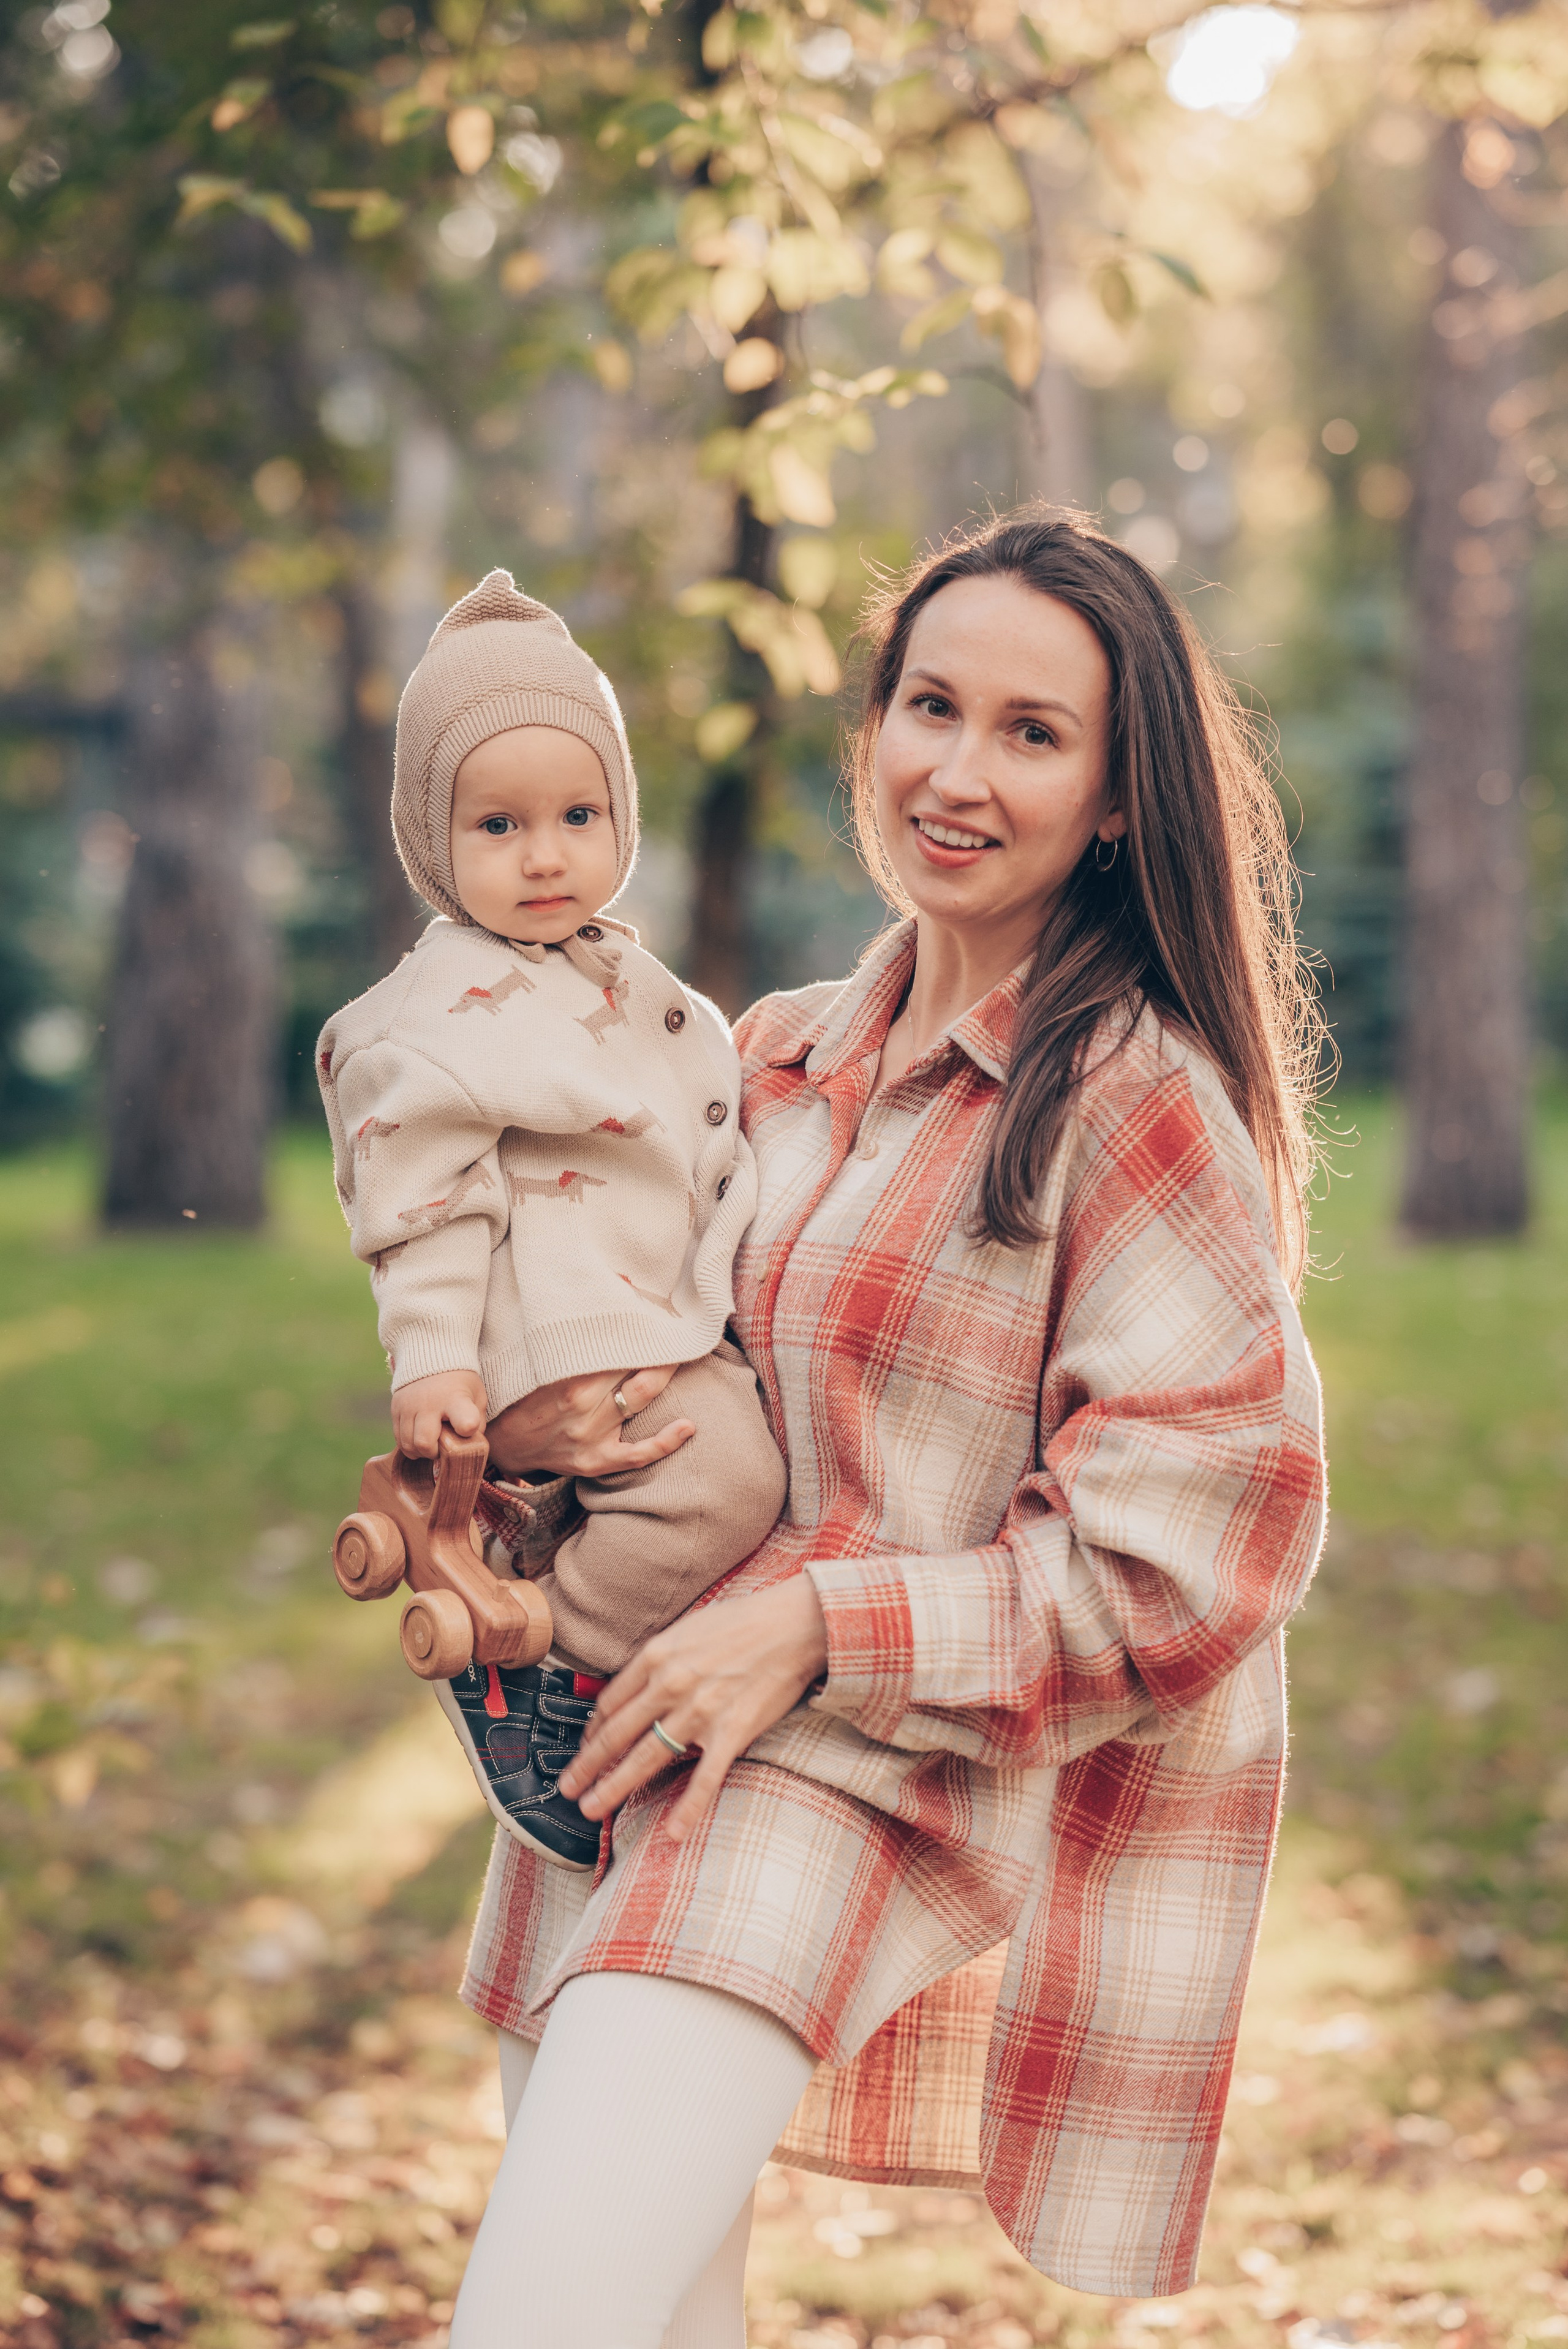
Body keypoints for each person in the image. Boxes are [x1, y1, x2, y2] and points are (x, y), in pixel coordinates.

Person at [451, 508, 1329, 2347]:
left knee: (534, 2320)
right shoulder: (760, 1053)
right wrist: (508, 1475)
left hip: (859, 1774)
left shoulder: (1135, 1101)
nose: (956, 768)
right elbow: (666, 1384)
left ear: (1113, 796)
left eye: (1032, 731)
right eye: (931, 704)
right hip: (622, 1758)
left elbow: (1197, 1555)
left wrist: (819, 1624)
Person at [317, 570, 786, 1868]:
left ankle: (542, 1571)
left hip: (629, 1303)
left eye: (579, 814)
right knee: (726, 1478)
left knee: (734, 1461)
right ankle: (542, 1655)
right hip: (554, 1327)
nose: (544, 854)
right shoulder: (442, 1011)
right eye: (498, 824)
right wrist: (436, 1363)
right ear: (432, 838)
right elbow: (420, 1202)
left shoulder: (601, 963)